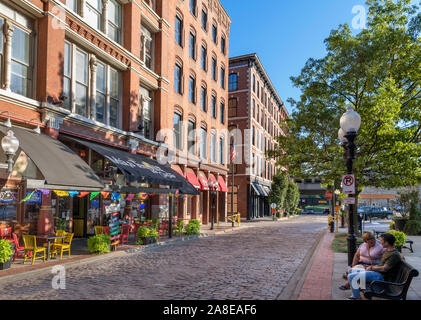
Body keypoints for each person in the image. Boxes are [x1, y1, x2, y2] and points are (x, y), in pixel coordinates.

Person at [347, 233, 402, 300]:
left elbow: (384, 268)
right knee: (351, 270)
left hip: (379, 276)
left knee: (351, 276)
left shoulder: (393, 254)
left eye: (381, 240)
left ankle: (356, 297)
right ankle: (360, 289)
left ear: (387, 243)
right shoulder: (388, 250)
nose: (380, 242)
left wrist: (372, 267)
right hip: (376, 272)